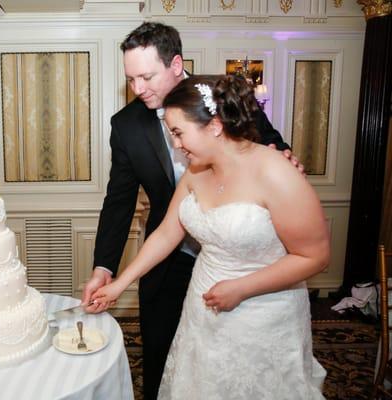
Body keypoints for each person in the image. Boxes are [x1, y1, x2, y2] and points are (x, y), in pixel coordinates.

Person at [81, 21, 297, 400]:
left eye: (146, 76)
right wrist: (105, 270)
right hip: (169, 259)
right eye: (130, 79)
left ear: (176, 64)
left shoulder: (223, 98)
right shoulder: (127, 126)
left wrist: (283, 156)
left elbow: (270, 142)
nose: (138, 89)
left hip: (237, 253)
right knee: (164, 358)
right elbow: (119, 201)